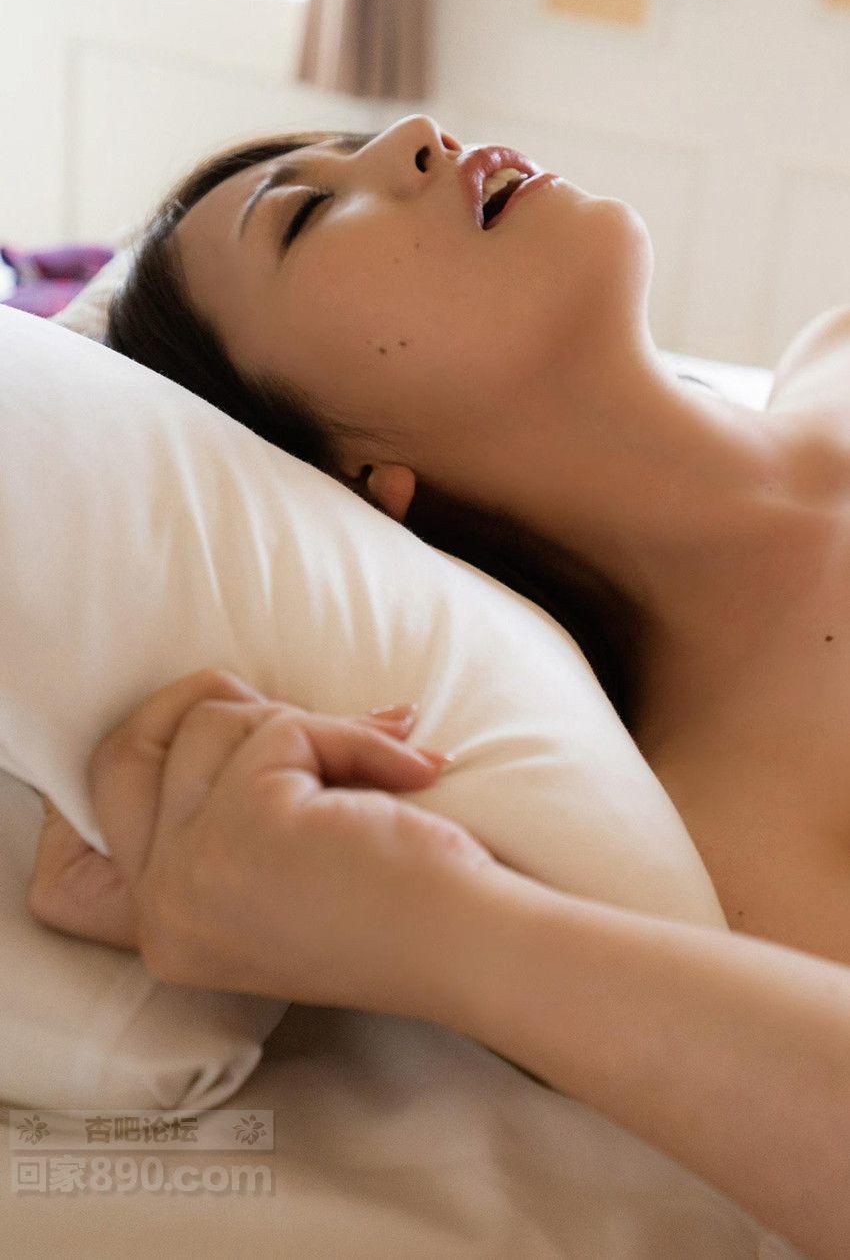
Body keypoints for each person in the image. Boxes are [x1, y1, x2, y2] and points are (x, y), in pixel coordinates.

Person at [26, 115, 850, 1258]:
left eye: (358, 140)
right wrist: (434, 929)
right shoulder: (740, 857)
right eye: (304, 213)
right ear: (349, 481)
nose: (417, 134)